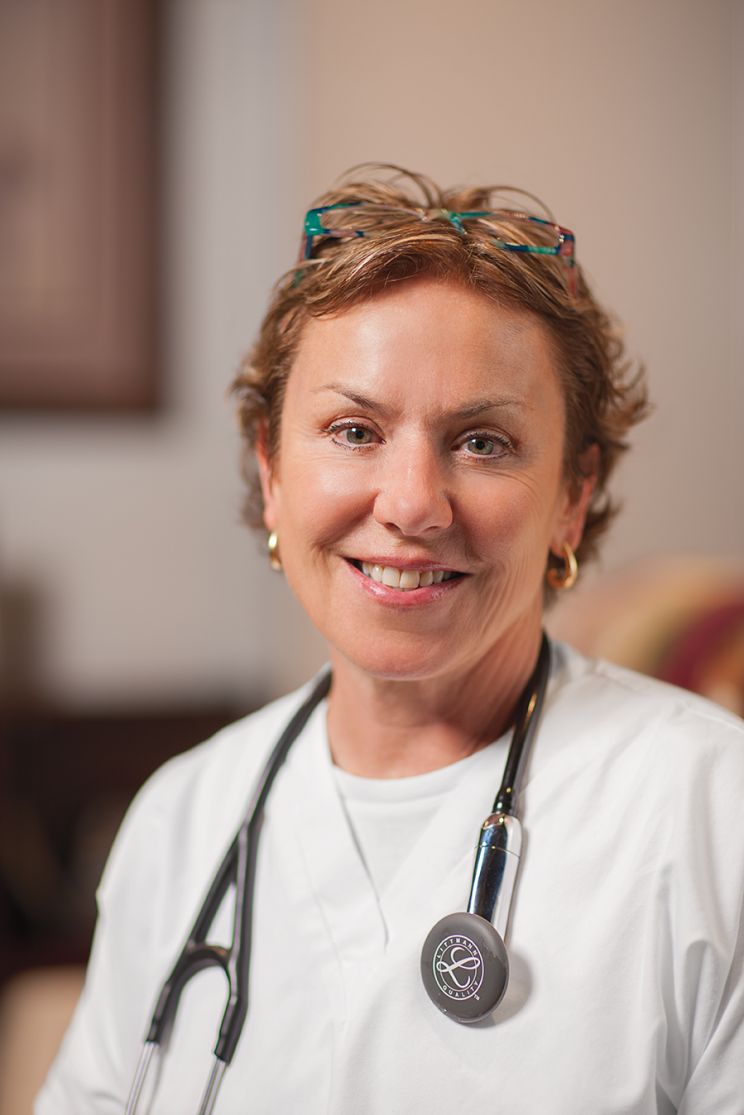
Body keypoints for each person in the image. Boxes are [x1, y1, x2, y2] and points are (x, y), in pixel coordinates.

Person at [37, 167, 744, 1114]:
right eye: (353, 429)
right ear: (271, 472)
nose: (412, 504)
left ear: (572, 498)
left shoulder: (712, 813)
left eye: (482, 441)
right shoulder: (181, 820)